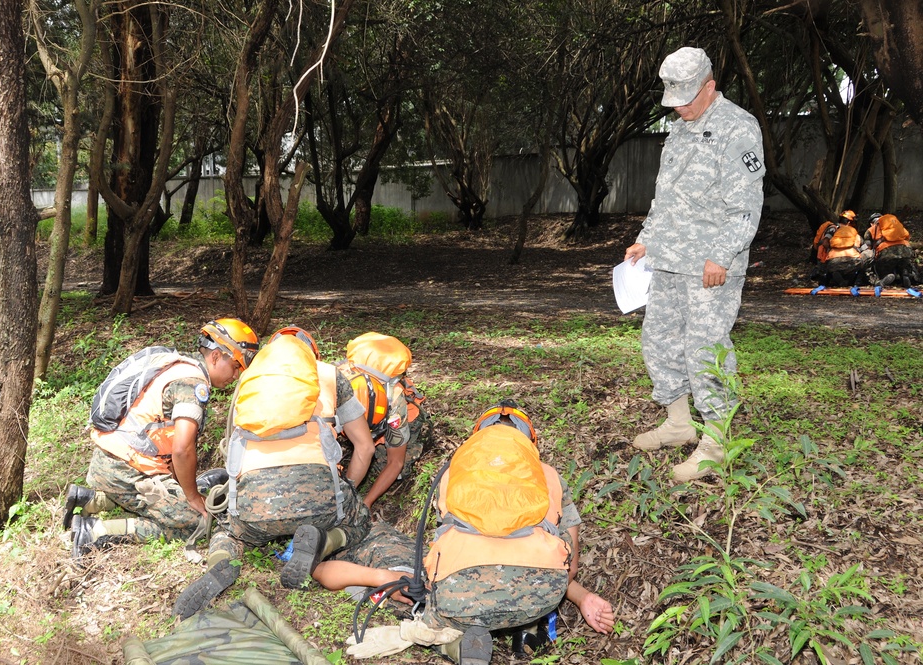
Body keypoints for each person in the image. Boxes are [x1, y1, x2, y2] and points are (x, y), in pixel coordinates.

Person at [311, 402, 616, 665]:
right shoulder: (550, 476)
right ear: (531, 443)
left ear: (477, 439)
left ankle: (452, 639)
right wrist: (584, 597)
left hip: (457, 598)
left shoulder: (454, 471)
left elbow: (441, 544)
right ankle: (526, 627)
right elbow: (569, 565)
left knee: (418, 579)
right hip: (541, 595)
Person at [625, 46, 765, 483]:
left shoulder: (737, 127)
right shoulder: (680, 128)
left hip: (709, 265)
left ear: (710, 87)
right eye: (673, 99)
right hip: (668, 259)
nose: (680, 107)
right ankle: (679, 423)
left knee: (707, 348)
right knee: (660, 340)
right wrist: (646, 240)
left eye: (687, 98)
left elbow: (746, 208)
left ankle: (717, 442)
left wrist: (721, 255)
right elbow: (665, 195)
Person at [173, 327, 378, 619]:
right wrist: (346, 493)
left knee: (229, 532)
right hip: (319, 501)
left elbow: (235, 449)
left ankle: (221, 561)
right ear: (311, 353)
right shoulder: (330, 375)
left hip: (254, 507)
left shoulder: (249, 378)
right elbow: (366, 448)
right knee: (357, 520)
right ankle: (324, 540)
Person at [65, 318, 259, 560]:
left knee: (186, 498)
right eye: (236, 366)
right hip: (126, 470)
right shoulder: (193, 383)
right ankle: (95, 532)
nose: (237, 375)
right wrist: (191, 498)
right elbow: (182, 449)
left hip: (111, 462)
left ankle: (93, 500)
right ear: (217, 357)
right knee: (197, 521)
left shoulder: (180, 365)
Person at [335, 332, 431, 509]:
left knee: (397, 468)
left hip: (392, 421)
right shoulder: (332, 383)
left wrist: (367, 502)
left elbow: (396, 462)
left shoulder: (395, 402)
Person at [810, 210, 871, 287]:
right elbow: (866, 249)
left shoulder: (833, 228)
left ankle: (837, 278)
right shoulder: (841, 230)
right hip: (828, 260)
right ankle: (857, 280)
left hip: (829, 260)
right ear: (849, 222)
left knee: (833, 271)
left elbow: (824, 243)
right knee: (866, 256)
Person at [864, 213, 920, 288]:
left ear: (871, 223)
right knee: (903, 265)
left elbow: (868, 246)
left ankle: (886, 276)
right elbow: (907, 236)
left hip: (886, 252)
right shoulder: (896, 227)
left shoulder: (872, 229)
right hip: (905, 250)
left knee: (883, 268)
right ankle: (905, 274)